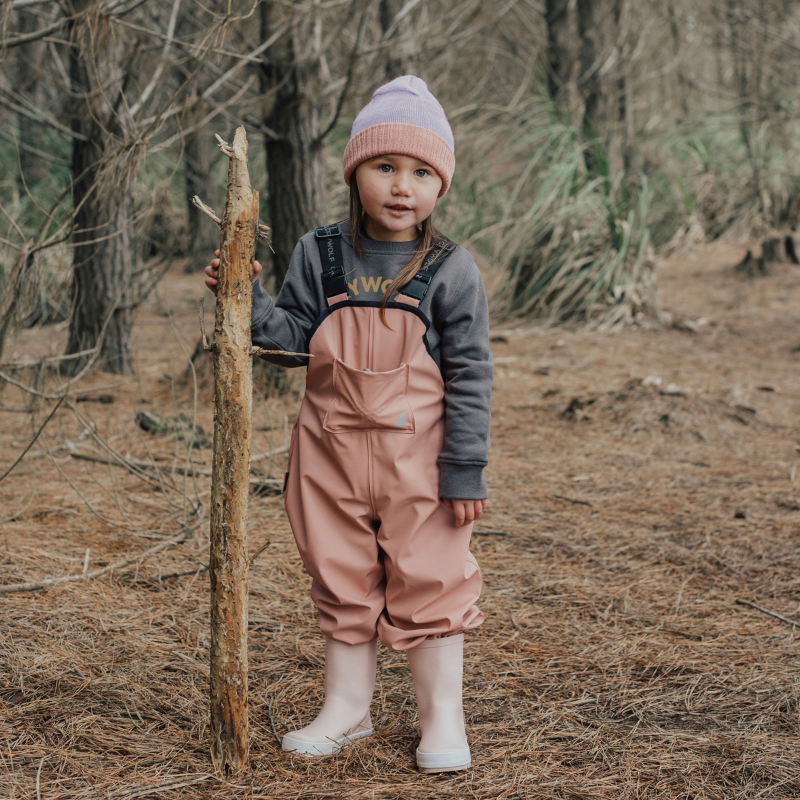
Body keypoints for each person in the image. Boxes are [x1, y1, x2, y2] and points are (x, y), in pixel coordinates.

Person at [205, 75, 493, 774]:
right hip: (328, 458)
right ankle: (348, 708)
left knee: (432, 579)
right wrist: (245, 294)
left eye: (422, 172)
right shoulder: (321, 254)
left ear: (441, 185)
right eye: (386, 166)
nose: (403, 186)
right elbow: (290, 346)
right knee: (341, 576)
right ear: (356, 170)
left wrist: (463, 469)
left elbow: (472, 375)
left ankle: (441, 716)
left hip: (420, 466)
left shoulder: (451, 270)